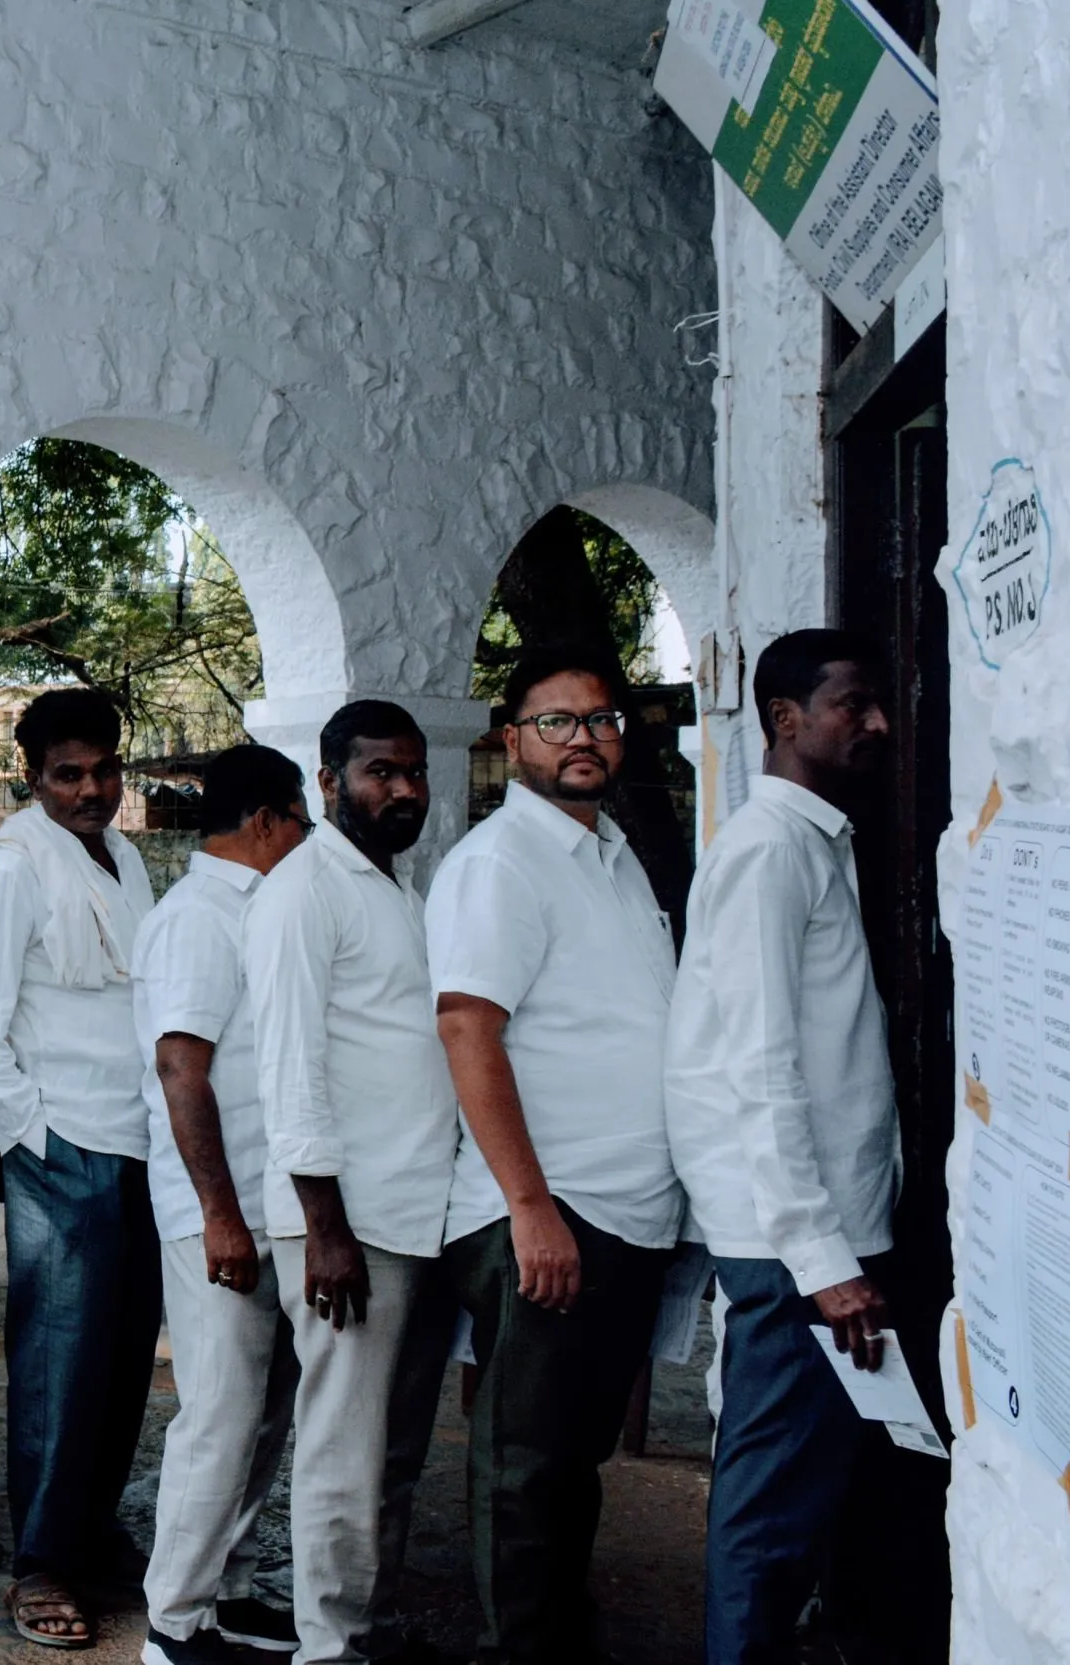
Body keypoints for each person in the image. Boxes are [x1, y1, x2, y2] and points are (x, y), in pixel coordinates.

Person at [426, 649, 682, 1665]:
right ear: (511, 740)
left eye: (600, 719)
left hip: (623, 1211)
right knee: (524, 1466)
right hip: (548, 1209)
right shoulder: (501, 862)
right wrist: (530, 1207)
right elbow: (466, 1028)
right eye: (556, 721)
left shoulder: (611, 852)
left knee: (573, 1459)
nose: (583, 737)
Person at [666, 630, 897, 1665]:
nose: (877, 723)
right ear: (783, 718)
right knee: (767, 1512)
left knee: (808, 1504)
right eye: (853, 704)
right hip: (795, 1247)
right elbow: (754, 1064)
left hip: (821, 1237)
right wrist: (820, 1257)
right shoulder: (768, 850)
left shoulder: (812, 840)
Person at [0, 688, 158, 1650]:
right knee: (58, 1364)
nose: (90, 789)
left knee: (121, 1357)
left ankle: (90, 1532)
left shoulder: (124, 857)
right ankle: (40, 1561)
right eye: (68, 774)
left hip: (141, 1141)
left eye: (103, 770)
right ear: (32, 778)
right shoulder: (12, 866)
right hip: (63, 1144)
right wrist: (35, 1138)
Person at [247, 700, 457, 1665]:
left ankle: (360, 1626)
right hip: (346, 1221)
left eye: (414, 771)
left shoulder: (395, 887)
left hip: (413, 1211)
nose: (404, 789)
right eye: (381, 772)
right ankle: (326, 1647)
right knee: (342, 1445)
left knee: (390, 1446)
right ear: (329, 781)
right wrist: (324, 1227)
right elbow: (288, 1068)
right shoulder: (302, 891)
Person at [135, 744, 315, 1664]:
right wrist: (220, 1214)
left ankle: (230, 1593)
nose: (310, 840)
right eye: (303, 822)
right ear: (267, 821)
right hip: (220, 1208)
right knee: (218, 1415)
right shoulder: (197, 917)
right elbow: (181, 1069)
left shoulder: (265, 907)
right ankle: (172, 1622)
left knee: (266, 1413)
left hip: (271, 1199)